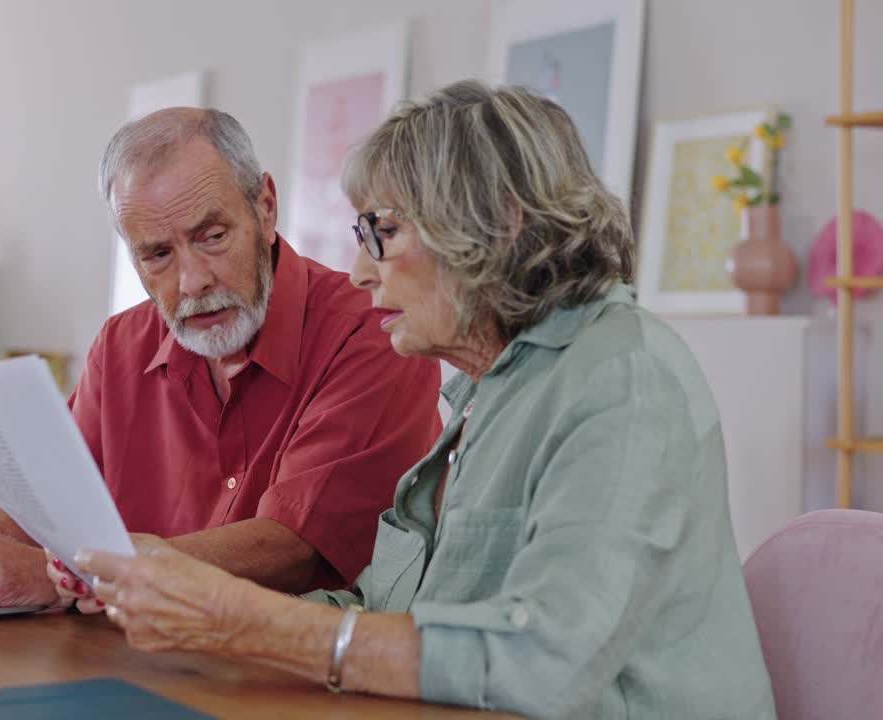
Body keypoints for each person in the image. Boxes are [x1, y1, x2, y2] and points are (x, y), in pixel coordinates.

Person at [70, 81, 777, 719]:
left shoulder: (624, 380)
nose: (359, 272)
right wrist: (200, 613)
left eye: (385, 232)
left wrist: (244, 622)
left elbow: (540, 664)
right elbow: (386, 610)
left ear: (497, 223)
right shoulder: (488, 389)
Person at [0, 108, 441, 613]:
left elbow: (294, 548)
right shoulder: (121, 345)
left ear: (265, 208)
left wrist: (71, 577)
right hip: (131, 662)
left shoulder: (372, 329)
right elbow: (57, 513)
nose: (192, 282)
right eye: (157, 255)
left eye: (212, 236)